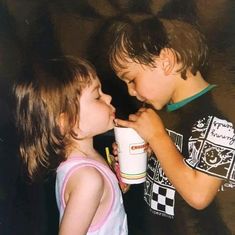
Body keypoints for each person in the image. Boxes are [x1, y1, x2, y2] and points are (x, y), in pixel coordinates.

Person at [107, 16, 235, 234]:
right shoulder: (163, 114)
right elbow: (175, 167)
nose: (130, 91)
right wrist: (138, 161)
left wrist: (157, 138)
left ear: (166, 61)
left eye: (131, 79)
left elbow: (198, 195)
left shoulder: (218, 118)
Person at [14, 56, 128, 235]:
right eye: (97, 96)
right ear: (67, 121)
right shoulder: (88, 179)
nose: (108, 97)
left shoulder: (85, 164)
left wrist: (116, 183)